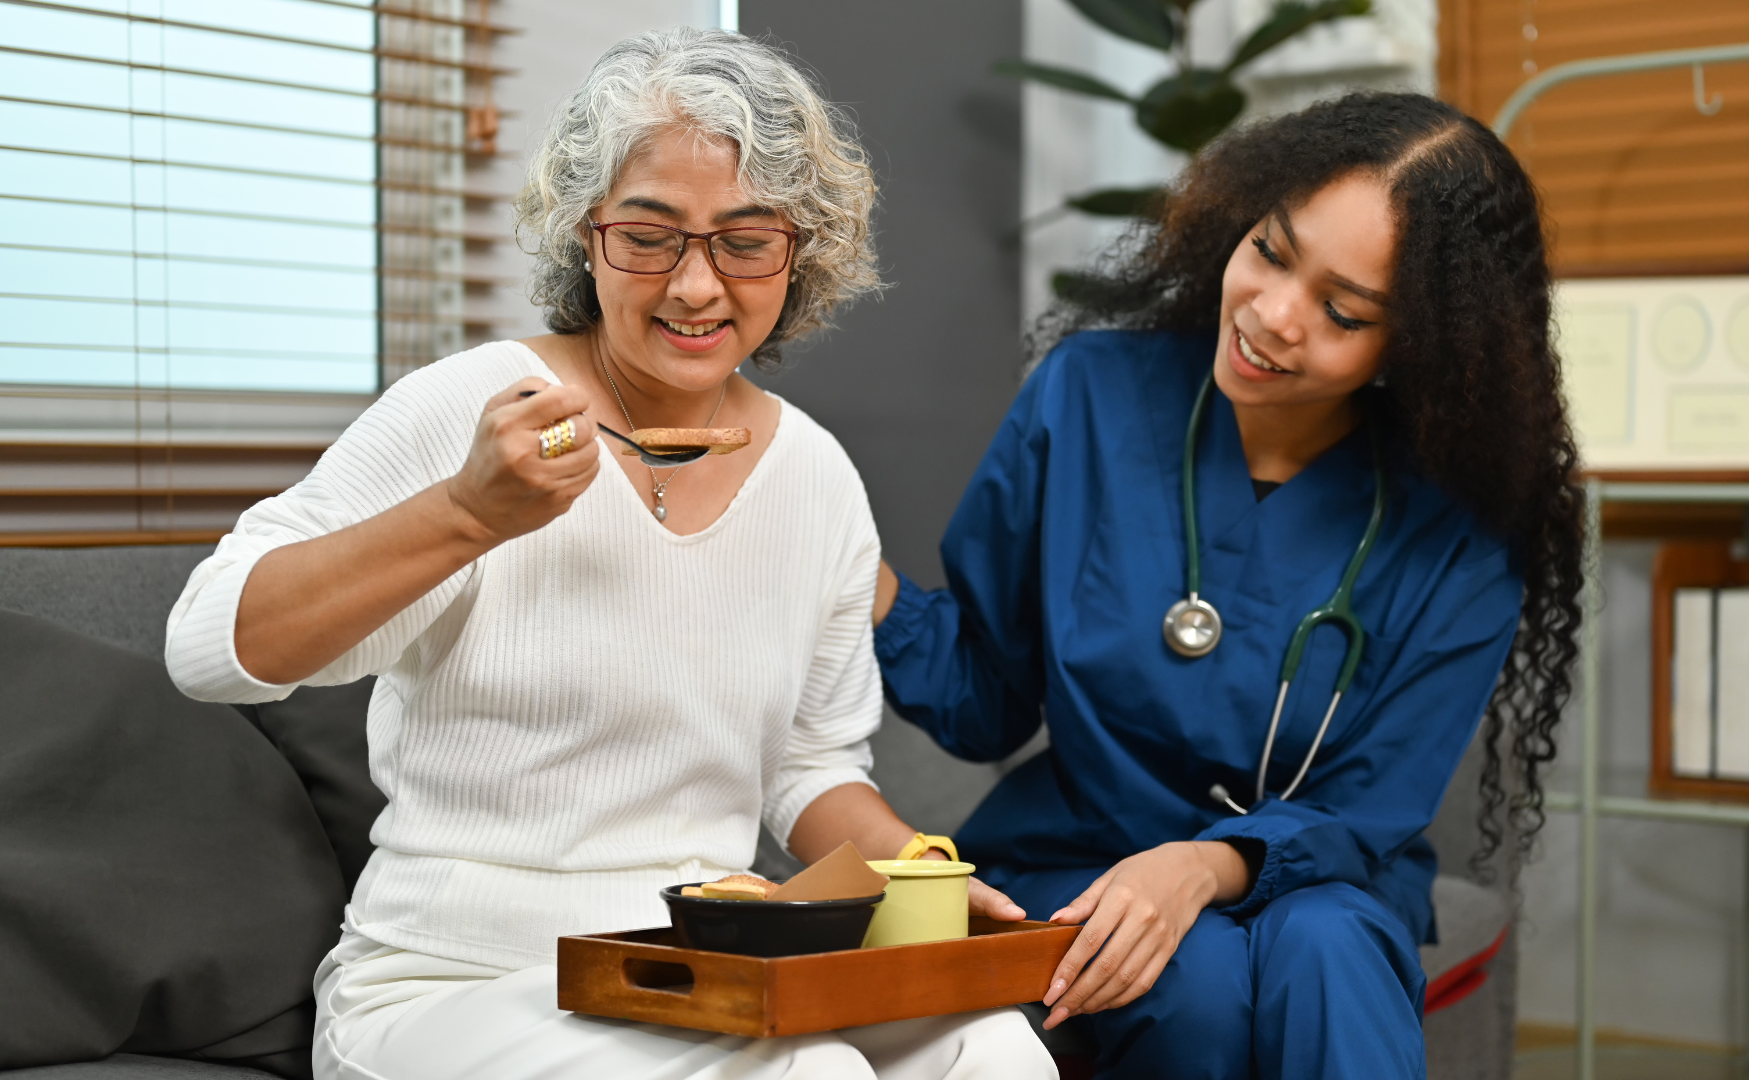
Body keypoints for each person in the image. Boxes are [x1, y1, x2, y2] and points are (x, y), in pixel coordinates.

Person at [166, 28, 1053, 1080]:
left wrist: (914, 870)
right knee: (809, 1074)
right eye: (650, 234)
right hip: (452, 985)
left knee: (994, 1052)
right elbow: (208, 649)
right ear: (587, 240)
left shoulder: (815, 477)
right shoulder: (476, 412)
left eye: (744, 239)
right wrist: (468, 511)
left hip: (695, 969)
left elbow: (809, 768)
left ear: (798, 254)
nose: (694, 286)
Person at [871, 93, 1585, 1080]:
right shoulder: (1088, 399)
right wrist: (853, 581)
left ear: (1413, 349)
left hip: (1320, 877)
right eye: (1270, 250)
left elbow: (1368, 804)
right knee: (1195, 974)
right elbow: (988, 694)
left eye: (1343, 313)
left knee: (1327, 945)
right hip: (1083, 854)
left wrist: (1205, 865)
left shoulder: (1459, 527)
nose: (1273, 316)